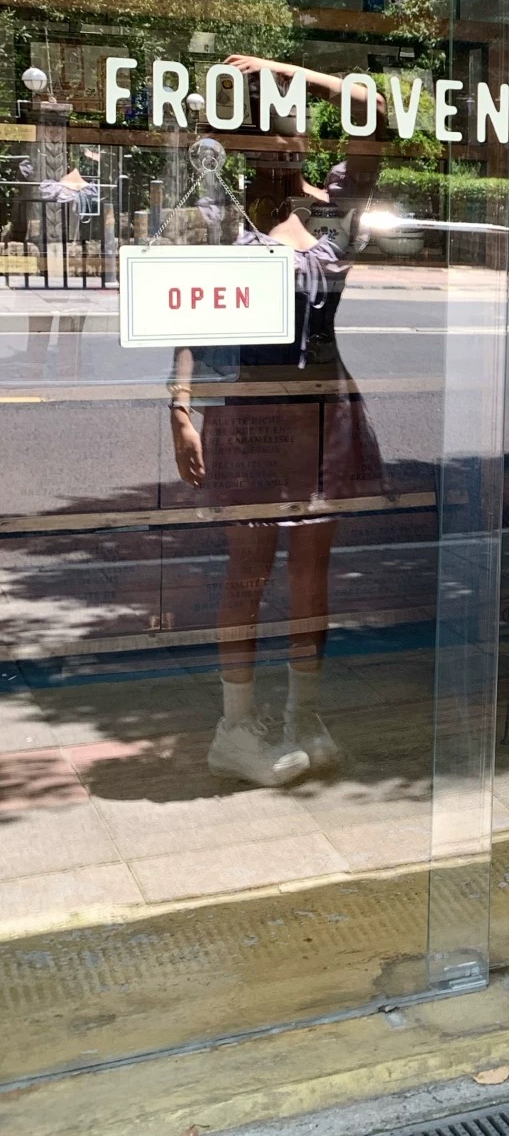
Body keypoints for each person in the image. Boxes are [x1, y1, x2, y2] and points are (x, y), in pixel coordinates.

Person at [168, 57, 386, 788]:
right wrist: (180, 407)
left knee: (313, 571)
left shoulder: (332, 207)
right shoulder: (221, 219)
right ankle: (234, 727)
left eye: (292, 132)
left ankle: (304, 715)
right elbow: (192, 314)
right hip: (253, 418)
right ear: (245, 145)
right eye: (271, 134)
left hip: (325, 415)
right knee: (250, 570)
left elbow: (373, 114)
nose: (288, 144)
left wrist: (282, 70)